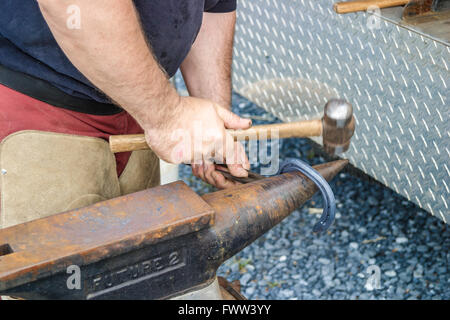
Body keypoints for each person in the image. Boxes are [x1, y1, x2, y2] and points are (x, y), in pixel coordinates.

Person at [0, 0, 251, 229]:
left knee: (141, 266)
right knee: (49, 270)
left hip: (139, 107)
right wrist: (168, 116)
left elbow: (210, 7)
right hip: (37, 111)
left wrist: (213, 129)